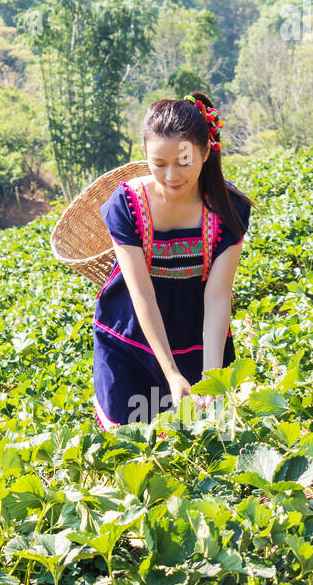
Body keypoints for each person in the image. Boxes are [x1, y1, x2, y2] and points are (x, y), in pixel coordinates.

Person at [91, 92, 256, 431]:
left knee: (206, 435)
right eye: (159, 163)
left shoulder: (228, 209)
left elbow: (218, 297)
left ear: (206, 152)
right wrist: (171, 373)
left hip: (198, 335)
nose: (171, 176)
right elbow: (142, 295)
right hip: (133, 337)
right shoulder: (126, 206)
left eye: (184, 162)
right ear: (144, 155)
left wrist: (212, 379)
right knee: (133, 440)